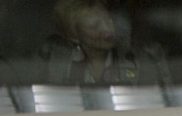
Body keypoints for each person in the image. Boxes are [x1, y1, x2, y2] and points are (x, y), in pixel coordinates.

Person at [42, 0, 170, 86]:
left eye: (108, 20)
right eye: (95, 26)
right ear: (74, 36)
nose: (108, 30)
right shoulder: (57, 63)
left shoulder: (144, 59)